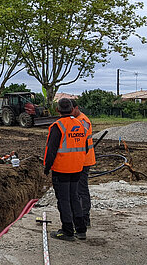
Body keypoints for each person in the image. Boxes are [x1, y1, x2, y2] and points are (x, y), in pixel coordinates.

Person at [44, 98, 88, 241]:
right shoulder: (80, 124)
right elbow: (85, 147)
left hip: (62, 169)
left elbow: (51, 150)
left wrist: (47, 167)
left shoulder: (58, 126)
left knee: (63, 200)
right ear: (71, 109)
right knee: (74, 197)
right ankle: (81, 230)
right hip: (77, 168)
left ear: (58, 110)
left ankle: (68, 231)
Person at [71, 98, 95, 228]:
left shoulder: (83, 121)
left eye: (72, 110)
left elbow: (79, 139)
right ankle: (80, 217)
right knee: (77, 190)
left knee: (82, 190)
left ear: (76, 108)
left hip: (84, 161)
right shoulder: (75, 120)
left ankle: (85, 219)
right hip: (77, 160)